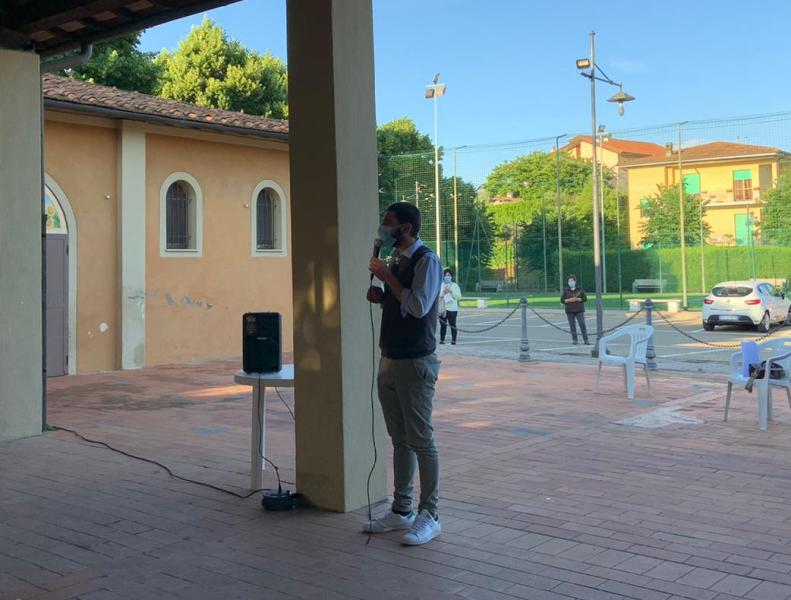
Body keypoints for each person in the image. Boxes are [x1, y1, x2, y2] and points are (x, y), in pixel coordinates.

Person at [365, 202, 443, 546]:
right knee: (400, 439)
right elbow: (400, 300)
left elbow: (418, 306)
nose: (383, 228)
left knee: (421, 440)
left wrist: (388, 279)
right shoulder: (396, 259)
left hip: (415, 361)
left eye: (389, 222)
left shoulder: (427, 260)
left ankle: (431, 514)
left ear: (407, 228)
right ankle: (401, 509)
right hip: (390, 358)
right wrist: (383, 297)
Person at [560, 274, 589, 345]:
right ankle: (575, 339)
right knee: (572, 325)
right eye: (569, 281)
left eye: (572, 281)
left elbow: (585, 299)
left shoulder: (580, 289)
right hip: (569, 311)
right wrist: (569, 300)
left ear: (575, 281)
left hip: (579, 310)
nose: (570, 282)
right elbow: (562, 300)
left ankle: (586, 339)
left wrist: (578, 299)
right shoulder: (566, 290)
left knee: (582, 324)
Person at [438, 268, 462, 345]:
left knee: (452, 325)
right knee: (443, 325)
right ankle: (442, 340)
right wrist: (443, 292)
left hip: (452, 309)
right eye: (445, 275)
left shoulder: (455, 285)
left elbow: (458, 297)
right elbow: (438, 295)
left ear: (451, 276)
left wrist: (451, 292)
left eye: (448, 275)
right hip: (443, 309)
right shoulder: (441, 285)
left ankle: (453, 340)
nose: (447, 277)